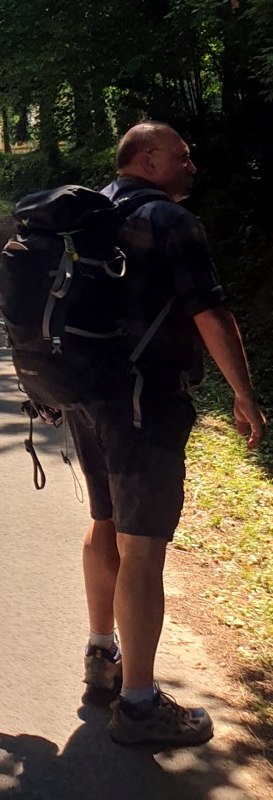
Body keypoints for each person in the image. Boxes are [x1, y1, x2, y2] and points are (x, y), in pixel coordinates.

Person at [67, 122, 265, 747]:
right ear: (148, 159)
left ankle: (102, 655)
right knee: (143, 546)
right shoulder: (171, 221)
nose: (192, 166)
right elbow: (210, 312)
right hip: (145, 404)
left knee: (104, 520)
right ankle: (139, 704)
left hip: (85, 395)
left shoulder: (90, 212)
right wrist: (244, 395)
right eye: (182, 156)